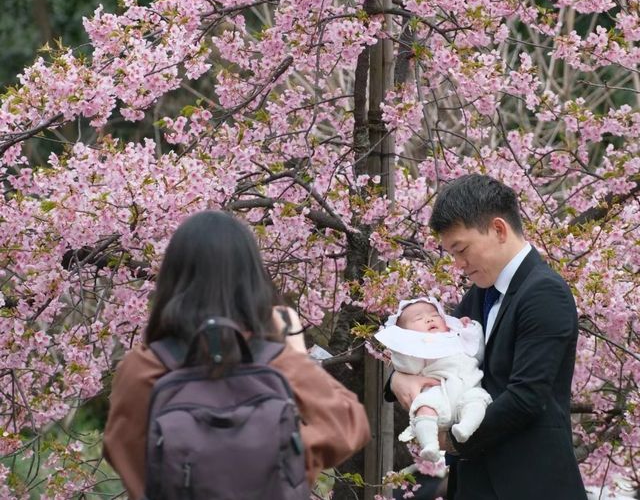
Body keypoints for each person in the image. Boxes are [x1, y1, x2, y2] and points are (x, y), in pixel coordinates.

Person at [103, 210, 371, 499]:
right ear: (253, 279)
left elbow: (122, 451)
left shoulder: (144, 367)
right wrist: (280, 452)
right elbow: (348, 424)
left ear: (172, 278)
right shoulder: (276, 361)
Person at [389, 174, 588, 500]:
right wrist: (398, 379)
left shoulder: (544, 292)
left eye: (461, 249)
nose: (458, 264)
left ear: (498, 229)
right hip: (476, 483)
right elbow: (440, 352)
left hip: (531, 484)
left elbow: (526, 398)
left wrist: (450, 440)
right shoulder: (479, 295)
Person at [375, 297, 491, 461]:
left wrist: (470, 329)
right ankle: (430, 443)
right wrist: (403, 346)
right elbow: (409, 367)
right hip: (439, 389)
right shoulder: (420, 347)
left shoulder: (456, 336)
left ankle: (465, 428)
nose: (429, 319)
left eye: (434, 315)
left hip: (469, 386)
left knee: (477, 402)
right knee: (424, 407)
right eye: (419, 319)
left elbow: (478, 353)